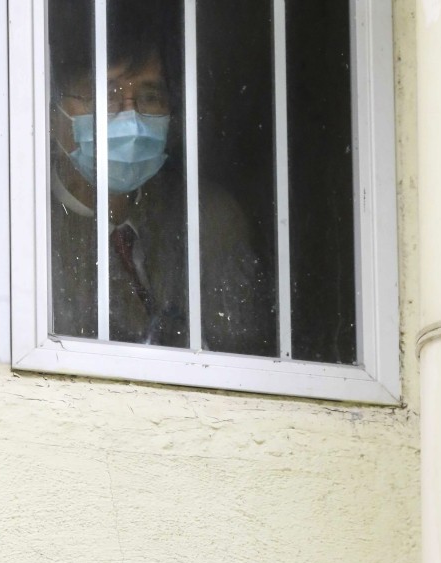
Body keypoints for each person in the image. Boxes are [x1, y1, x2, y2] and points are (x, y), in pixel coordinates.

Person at [48, 0, 276, 357]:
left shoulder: (209, 220)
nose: (131, 117)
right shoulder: (19, 242)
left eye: (150, 96)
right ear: (53, 114)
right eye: (107, 94)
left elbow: (244, 355)